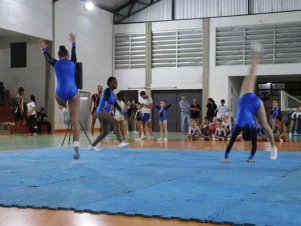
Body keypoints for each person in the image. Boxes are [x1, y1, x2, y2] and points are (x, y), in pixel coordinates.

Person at [223, 42, 277, 163]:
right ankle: (256, 53)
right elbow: (231, 141)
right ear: (242, 133)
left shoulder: (252, 128)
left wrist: (250, 158)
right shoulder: (239, 125)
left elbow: (254, 145)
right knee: (251, 73)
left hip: (256, 103)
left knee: (264, 124)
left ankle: (274, 148)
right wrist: (226, 157)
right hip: (246, 97)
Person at [38, 33, 80, 160]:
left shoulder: (55, 63)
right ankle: (76, 147)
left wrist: (43, 49)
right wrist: (73, 42)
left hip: (61, 92)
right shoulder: (73, 62)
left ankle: (63, 109)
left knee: (59, 101)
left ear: (59, 56)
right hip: (73, 91)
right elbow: (74, 53)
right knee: (75, 120)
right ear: (67, 56)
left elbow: (47, 57)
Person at [88, 77, 129, 150]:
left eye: (116, 82)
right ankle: (121, 142)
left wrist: (122, 112)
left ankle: (92, 146)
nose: (116, 83)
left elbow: (116, 104)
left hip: (103, 113)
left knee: (105, 132)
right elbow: (106, 98)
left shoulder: (113, 94)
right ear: (109, 83)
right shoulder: (107, 90)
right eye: (114, 82)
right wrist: (105, 105)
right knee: (115, 122)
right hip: (101, 111)